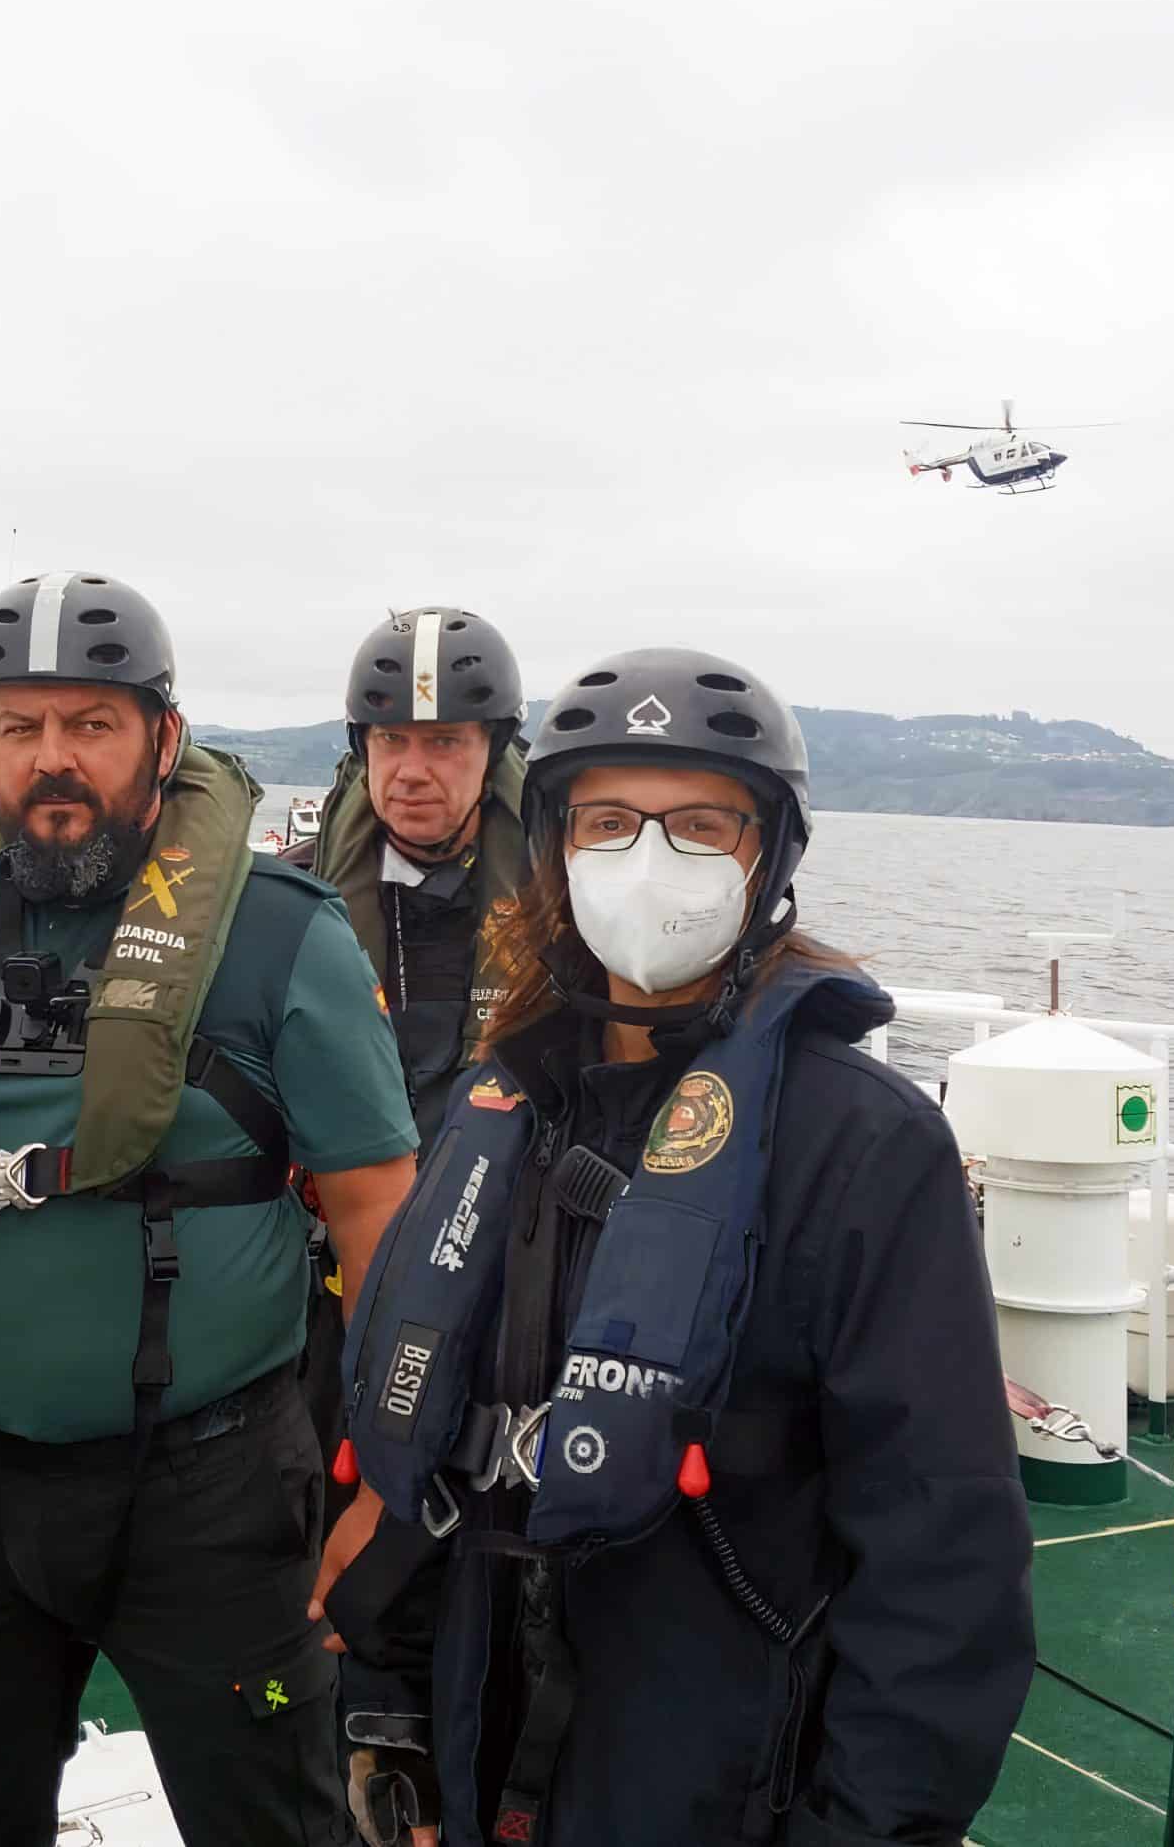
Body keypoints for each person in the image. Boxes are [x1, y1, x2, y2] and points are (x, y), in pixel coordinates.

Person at [314, 648, 1035, 1847]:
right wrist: (396, 1731)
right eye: (608, 822)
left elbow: (941, 1560)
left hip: (711, 1782)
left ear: (769, 861)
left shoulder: (861, 1149)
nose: (648, 863)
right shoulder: (509, 1108)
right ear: (554, 851)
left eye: (700, 826)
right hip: (482, 1758)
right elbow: (425, 1452)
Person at [0, 572, 420, 1847]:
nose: (53, 761)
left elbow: (380, 1222)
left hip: (214, 1494)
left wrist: (385, 1479)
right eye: (19, 728)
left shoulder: (279, 939)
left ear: (163, 739)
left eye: (90, 723)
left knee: (269, 1824)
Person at [283, 607, 531, 1147]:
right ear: (363, 747)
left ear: (492, 753)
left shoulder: (563, 905)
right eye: (391, 740)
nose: (412, 772)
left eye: (444, 742)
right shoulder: (292, 898)